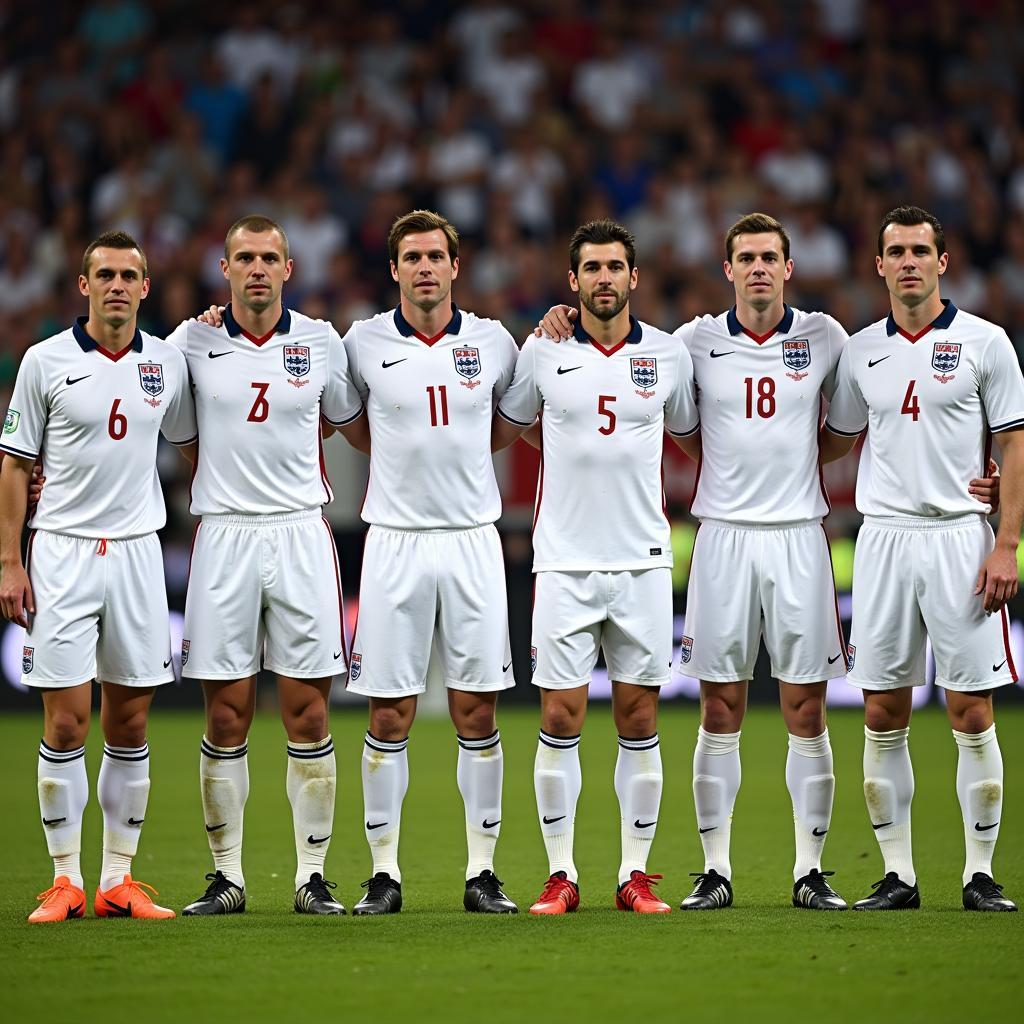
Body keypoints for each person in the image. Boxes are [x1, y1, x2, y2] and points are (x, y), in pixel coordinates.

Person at [538, 212, 1001, 911]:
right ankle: (716, 870)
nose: (757, 268)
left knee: (805, 706)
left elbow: (847, 432)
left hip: (800, 538)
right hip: (722, 536)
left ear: (789, 268)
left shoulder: (826, 338)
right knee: (718, 705)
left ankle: (808, 872)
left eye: (769, 258)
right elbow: (688, 431)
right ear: (727, 270)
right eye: (745, 258)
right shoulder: (692, 342)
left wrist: (797, 477)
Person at [822, 205, 1023, 912]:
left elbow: (1014, 446)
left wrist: (1007, 541)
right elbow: (834, 442)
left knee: (970, 710)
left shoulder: (986, 343)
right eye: (894, 251)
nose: (907, 262)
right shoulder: (857, 351)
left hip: (960, 537)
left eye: (919, 250)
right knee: (882, 708)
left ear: (944, 261)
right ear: (877, 265)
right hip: (881, 538)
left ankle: (979, 874)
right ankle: (898, 875)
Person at [496, 219, 700, 914]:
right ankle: (562, 874)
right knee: (560, 712)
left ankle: (633, 875)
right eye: (593, 268)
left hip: (642, 561)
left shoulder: (669, 355)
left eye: (617, 267)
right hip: (563, 562)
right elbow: (509, 423)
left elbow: (697, 434)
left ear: (634, 277)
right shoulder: (542, 352)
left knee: (639, 716)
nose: (605, 278)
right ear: (574, 279)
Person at [171, 215, 367, 916]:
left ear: (290, 268)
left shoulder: (321, 341)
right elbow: (166, 428)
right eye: (243, 258)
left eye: (269, 258)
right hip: (224, 535)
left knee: (308, 712)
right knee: (226, 714)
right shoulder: (188, 342)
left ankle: (311, 878)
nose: (257, 268)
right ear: (222, 269)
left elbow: (352, 423)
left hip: (299, 535)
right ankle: (227, 878)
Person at [0, 231, 197, 922]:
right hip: (61, 551)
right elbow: (16, 466)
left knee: (132, 720)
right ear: (82, 285)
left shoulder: (165, 362)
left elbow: (190, 433)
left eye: (130, 276)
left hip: (139, 553)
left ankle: (118, 879)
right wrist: (9, 560)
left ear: (146, 287)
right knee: (65, 721)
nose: (117, 285)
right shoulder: (44, 361)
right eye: (105, 274)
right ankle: (64, 881)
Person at [340, 209, 519, 915]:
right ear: (394, 269)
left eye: (434, 256)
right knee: (390, 712)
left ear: (454, 265)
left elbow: (510, 422)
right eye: (410, 257)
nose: (423, 267)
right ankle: (384, 874)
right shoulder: (360, 342)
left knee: (477, 709)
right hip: (394, 540)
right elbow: (353, 427)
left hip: (473, 538)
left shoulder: (495, 342)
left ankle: (482, 873)